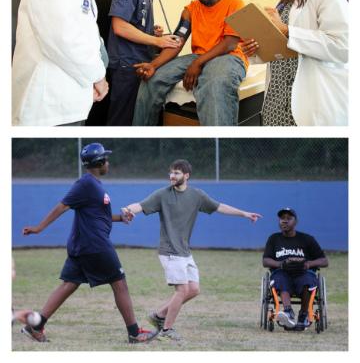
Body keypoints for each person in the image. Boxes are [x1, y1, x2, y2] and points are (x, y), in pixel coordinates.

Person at [21, 143, 157, 344]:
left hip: (83, 245)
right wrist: (39, 228)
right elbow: (62, 206)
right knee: (120, 283)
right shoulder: (85, 184)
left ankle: (36, 325)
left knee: (69, 284)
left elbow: (98, 215)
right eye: (106, 159)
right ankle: (135, 333)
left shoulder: (93, 185)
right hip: (94, 245)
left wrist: (121, 218)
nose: (108, 162)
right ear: (99, 162)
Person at [121, 159, 262, 340]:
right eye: (171, 172)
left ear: (186, 176)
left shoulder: (197, 195)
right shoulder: (162, 195)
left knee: (194, 289)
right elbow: (139, 205)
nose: (172, 176)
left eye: (177, 173)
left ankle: (158, 316)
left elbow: (220, 207)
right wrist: (127, 209)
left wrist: (244, 213)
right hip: (169, 250)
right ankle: (167, 329)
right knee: (182, 290)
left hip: (184, 251)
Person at [12, 0, 111, 126]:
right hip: (48, 106)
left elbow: (88, 40)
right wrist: (98, 76)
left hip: (75, 102)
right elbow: (61, 35)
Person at [241, 0, 348, 126]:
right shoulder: (280, 6)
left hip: (310, 103)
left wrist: (286, 30)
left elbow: (343, 47)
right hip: (275, 101)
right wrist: (255, 50)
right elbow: (280, 53)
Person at [132, 0, 249, 126]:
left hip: (228, 56)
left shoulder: (234, 2)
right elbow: (177, 42)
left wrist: (198, 63)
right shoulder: (191, 9)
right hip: (198, 56)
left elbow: (230, 43)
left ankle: (219, 147)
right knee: (152, 79)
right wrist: (153, 65)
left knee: (214, 83)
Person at [106, 0, 180, 126]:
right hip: (126, 63)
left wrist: (152, 32)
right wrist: (157, 40)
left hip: (143, 64)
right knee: (121, 119)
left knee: (135, 117)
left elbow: (135, 24)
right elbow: (120, 26)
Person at [262, 207, 328, 330]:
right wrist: (281, 264)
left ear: (295, 221)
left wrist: (308, 264)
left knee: (308, 280)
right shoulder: (274, 238)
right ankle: (288, 313)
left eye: (289, 218)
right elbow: (265, 261)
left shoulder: (307, 239)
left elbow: (324, 261)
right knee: (280, 278)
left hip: (303, 272)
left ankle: (303, 315)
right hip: (282, 271)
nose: (284, 221)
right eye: (282, 218)